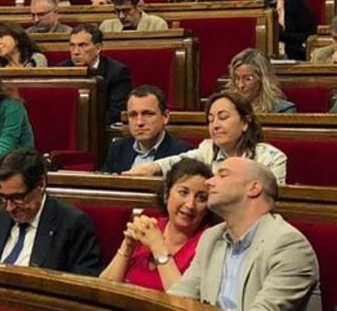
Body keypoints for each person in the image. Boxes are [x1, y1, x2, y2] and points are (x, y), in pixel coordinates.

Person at [168, 157, 321, 310]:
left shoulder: (288, 245)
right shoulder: (211, 237)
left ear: (253, 188)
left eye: (222, 175)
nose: (209, 182)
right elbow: (178, 297)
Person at [0, 148, 103, 275]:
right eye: (3, 197)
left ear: (41, 185)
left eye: (18, 198)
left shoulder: (72, 225)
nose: (9, 208)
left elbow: (83, 286)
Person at [99, 158, 213, 291]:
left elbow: (182, 302)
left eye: (201, 198)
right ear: (166, 194)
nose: (190, 205)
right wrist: (127, 247)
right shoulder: (150, 226)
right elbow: (103, 290)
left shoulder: (208, 241)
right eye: (183, 192)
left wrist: (158, 246)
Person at [126, 91, 288, 184]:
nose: (215, 125)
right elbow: (177, 161)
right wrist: (148, 168)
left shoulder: (271, 158)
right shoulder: (207, 150)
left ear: (245, 122)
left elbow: (270, 204)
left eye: (223, 117)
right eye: (210, 120)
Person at [101, 86, 194, 173]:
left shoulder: (183, 153)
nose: (139, 122)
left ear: (165, 116)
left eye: (148, 114)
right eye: (133, 115)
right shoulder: (118, 148)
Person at [58, 24, 134, 125]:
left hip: (100, 130)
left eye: (82, 45)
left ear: (98, 48)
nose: (76, 52)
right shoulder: (61, 70)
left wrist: (84, 125)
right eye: (72, 45)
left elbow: (116, 112)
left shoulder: (117, 72)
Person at [252, 0, 316, 60]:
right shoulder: (253, 5)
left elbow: (309, 35)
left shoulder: (295, 2)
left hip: (292, 55)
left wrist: (278, 35)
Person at [225, 48, 296, 113]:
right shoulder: (226, 108)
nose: (241, 85)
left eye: (248, 79)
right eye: (237, 78)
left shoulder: (282, 110)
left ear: (263, 80)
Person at [99, 0, 169, 33]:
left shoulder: (157, 25)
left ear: (138, 7)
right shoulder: (106, 27)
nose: (121, 16)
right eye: (117, 11)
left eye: (126, 10)